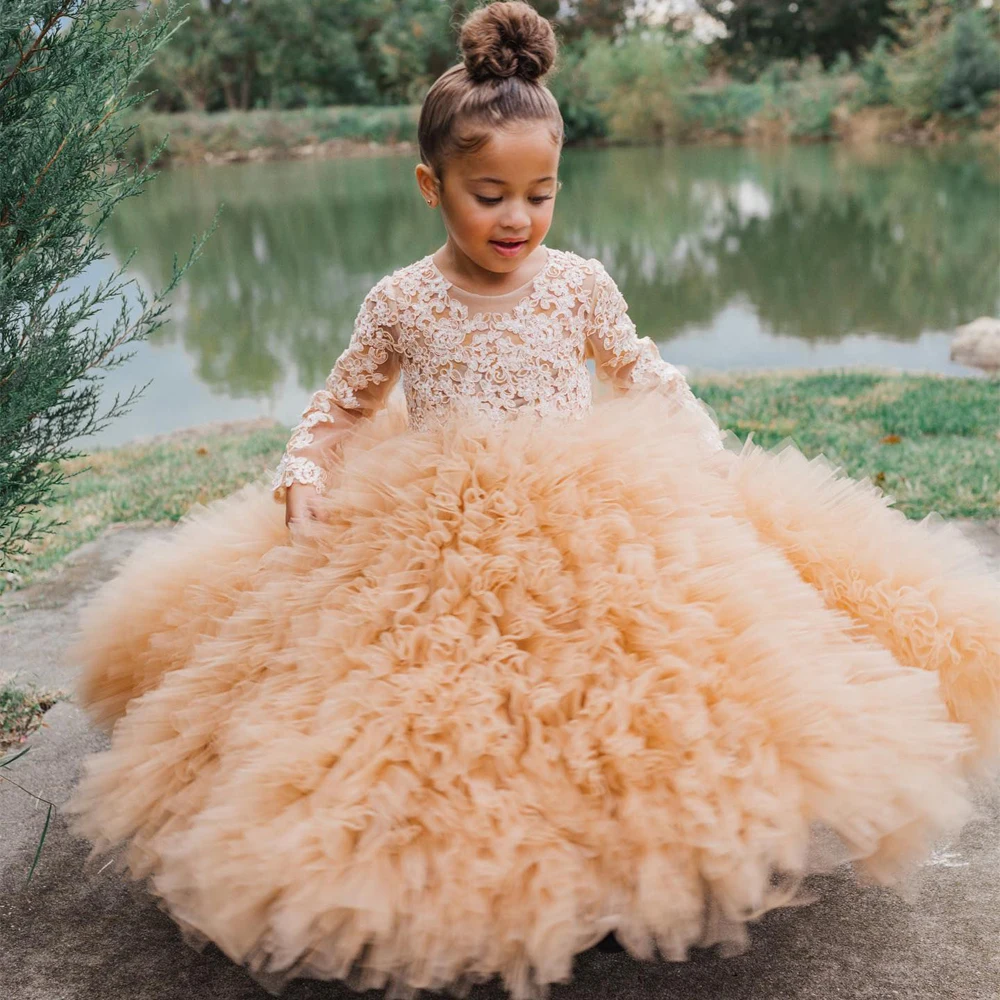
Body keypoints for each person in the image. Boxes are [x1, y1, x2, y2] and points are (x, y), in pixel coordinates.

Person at [64, 4, 1000, 1000]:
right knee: (444, 702)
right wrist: (303, 472)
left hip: (587, 509)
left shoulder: (576, 284)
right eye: (487, 194)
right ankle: (470, 868)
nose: (514, 218)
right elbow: (341, 404)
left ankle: (618, 860)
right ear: (432, 186)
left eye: (538, 194)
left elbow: (643, 374)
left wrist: (703, 455)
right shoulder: (401, 300)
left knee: (625, 689)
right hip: (430, 521)